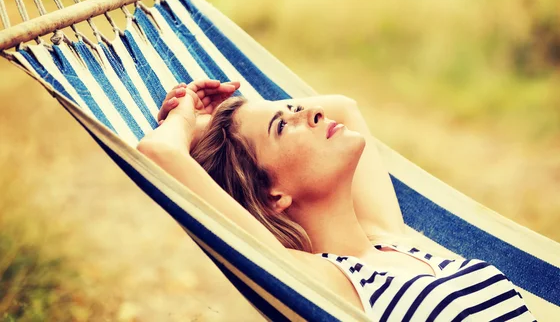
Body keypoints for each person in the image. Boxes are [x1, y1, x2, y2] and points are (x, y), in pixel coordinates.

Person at [137, 79, 535, 321]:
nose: (311, 112)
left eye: (295, 109)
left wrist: (223, 115)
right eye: (283, 125)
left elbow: (345, 106)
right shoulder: (324, 285)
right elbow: (161, 154)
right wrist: (186, 121)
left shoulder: (391, 238)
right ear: (274, 195)